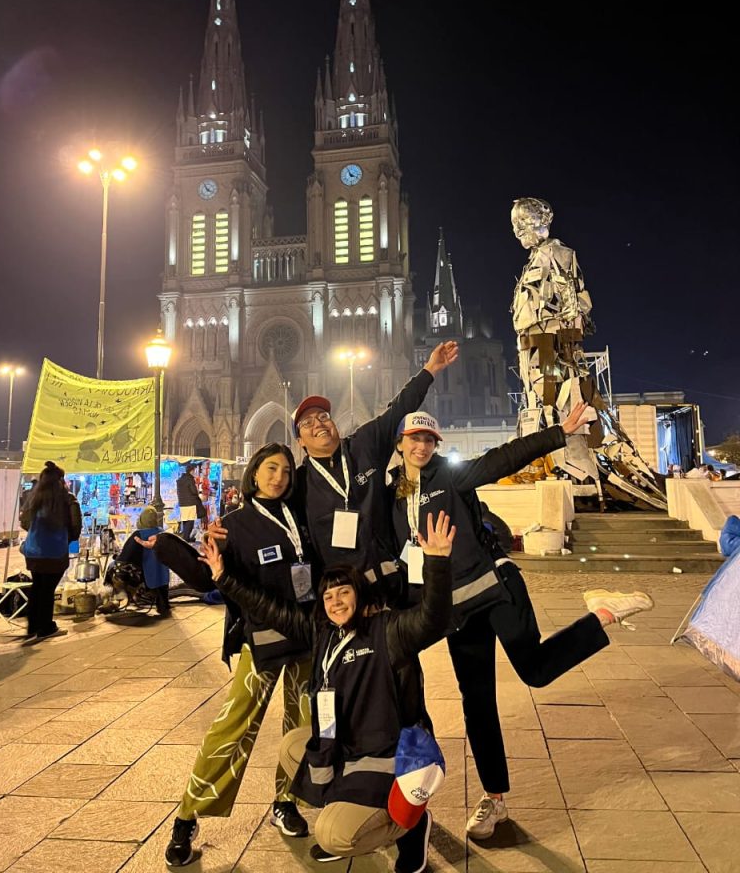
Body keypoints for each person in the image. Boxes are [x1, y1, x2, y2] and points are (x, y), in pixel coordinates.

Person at [390, 407, 655, 842]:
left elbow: (501, 459)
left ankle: (601, 614)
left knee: (535, 670)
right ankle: (494, 800)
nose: (421, 447)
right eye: (413, 439)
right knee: (476, 704)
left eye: (428, 440)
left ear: (436, 446)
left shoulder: (450, 477)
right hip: (456, 611)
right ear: (400, 442)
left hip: (495, 588)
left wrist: (559, 433)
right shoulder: (395, 498)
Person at [200, 509, 456, 872]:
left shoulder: (389, 631)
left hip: (387, 755)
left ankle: (409, 827)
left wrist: (438, 562)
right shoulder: (323, 633)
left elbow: (434, 617)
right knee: (292, 746)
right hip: (346, 746)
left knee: (331, 835)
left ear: (360, 595)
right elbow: (269, 609)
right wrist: (223, 576)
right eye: (328, 596)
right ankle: (350, 806)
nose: (335, 602)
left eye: (344, 592)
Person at [157, 444, 315, 868]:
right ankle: (186, 817)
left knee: (301, 725)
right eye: (269, 468)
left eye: (285, 470)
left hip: (305, 638)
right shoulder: (231, 525)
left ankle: (287, 800)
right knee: (233, 725)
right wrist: (175, 547)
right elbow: (211, 580)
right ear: (253, 473)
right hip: (260, 641)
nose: (278, 477)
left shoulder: (301, 516)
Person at [510, 196, 666, 508]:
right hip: (533, 348)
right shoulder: (534, 260)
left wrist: (564, 345)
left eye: (520, 223)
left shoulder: (557, 254)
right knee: (539, 409)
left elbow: (572, 305)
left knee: (559, 408)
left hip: (550, 346)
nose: (516, 231)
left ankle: (579, 477)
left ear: (534, 222)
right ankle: (548, 466)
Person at [292, 340, 458, 597]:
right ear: (300, 442)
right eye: (307, 423)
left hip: (390, 581)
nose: (319, 424)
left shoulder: (364, 445)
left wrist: (430, 369)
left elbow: (398, 410)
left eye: (324, 417)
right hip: (345, 593)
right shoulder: (299, 482)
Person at [19, 461, 82, 643]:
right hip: (54, 552)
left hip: (34, 552)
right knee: (47, 590)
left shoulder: (35, 498)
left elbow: (25, 523)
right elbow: (76, 528)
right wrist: (63, 538)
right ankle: (46, 627)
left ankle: (32, 627)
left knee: (38, 587)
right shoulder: (68, 499)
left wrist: (38, 534)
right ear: (61, 480)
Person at [100, 506, 171, 616]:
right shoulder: (162, 533)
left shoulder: (139, 535)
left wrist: (116, 558)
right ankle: (163, 605)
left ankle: (116, 600)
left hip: (143, 578)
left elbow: (125, 557)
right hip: (162, 578)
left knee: (114, 567)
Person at [177, 462, 206, 542]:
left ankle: (185, 537)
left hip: (182, 503)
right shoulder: (190, 479)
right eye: (195, 470)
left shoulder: (180, 480)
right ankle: (186, 538)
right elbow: (194, 491)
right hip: (190, 503)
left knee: (185, 521)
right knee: (190, 521)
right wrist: (197, 489)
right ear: (192, 471)